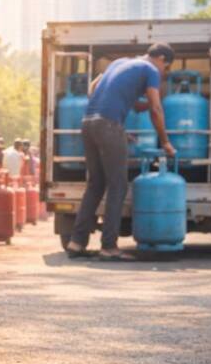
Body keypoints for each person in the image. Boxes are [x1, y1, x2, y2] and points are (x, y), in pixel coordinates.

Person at [66, 43, 177, 261]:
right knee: (118, 185)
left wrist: (117, 129)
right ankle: (109, 246)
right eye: (166, 68)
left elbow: (94, 89)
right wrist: (165, 142)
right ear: (162, 59)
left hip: (89, 123)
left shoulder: (119, 63)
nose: (164, 72)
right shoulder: (151, 70)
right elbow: (156, 109)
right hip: (107, 125)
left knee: (96, 184)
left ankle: (76, 242)